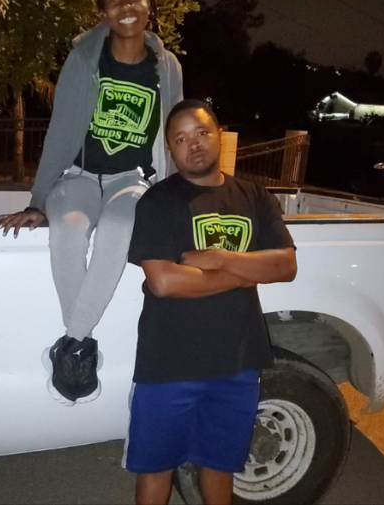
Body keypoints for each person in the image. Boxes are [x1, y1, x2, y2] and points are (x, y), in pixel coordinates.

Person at [0, 0, 183, 403]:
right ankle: (79, 345)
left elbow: (174, 133)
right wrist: (39, 201)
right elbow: (61, 132)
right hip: (80, 176)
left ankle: (72, 342)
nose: (126, 6)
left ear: (149, 3)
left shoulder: (168, 67)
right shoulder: (83, 60)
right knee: (68, 229)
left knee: (119, 228)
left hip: (132, 179)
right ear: (103, 10)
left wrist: (177, 200)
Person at [125, 100, 297, 504]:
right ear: (171, 150)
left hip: (237, 361)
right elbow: (165, 281)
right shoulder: (157, 203)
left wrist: (220, 260)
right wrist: (245, 274)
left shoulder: (255, 197)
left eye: (201, 132)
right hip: (167, 363)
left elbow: (286, 265)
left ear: (219, 134)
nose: (194, 144)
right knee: (155, 469)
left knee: (221, 466)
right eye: (181, 139)